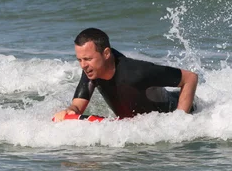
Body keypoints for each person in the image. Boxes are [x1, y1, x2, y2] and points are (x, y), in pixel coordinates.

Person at [53, 28, 198, 122]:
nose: (83, 65)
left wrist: (179, 121)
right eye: (80, 60)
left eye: (88, 59)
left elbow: (190, 78)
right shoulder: (92, 71)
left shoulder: (136, 72)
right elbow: (76, 107)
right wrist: (70, 112)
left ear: (106, 54)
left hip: (184, 111)